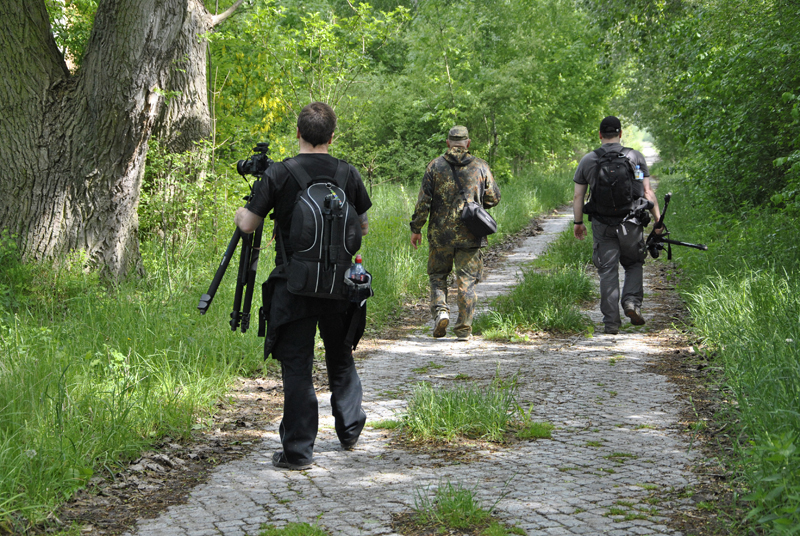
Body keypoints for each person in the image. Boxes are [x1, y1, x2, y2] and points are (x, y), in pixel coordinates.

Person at [234, 102, 371, 470]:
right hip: (341, 285)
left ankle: (297, 451)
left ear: (298, 133)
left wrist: (241, 212)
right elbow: (363, 227)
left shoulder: (279, 174)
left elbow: (248, 225)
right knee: (340, 357)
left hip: (293, 286)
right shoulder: (347, 173)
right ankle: (350, 429)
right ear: (331, 136)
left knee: (297, 367)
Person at [409, 125, 501, 341]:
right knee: (467, 280)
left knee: (438, 276)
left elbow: (424, 202)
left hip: (440, 235)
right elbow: (493, 198)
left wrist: (416, 228)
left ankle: (441, 312)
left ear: (448, 142)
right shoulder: (480, 166)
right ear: (467, 143)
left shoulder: (435, 166)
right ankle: (463, 329)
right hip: (471, 234)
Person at [572, 116, 662, 335]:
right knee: (633, 264)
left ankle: (611, 323)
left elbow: (578, 196)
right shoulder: (635, 158)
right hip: (631, 222)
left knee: (607, 271)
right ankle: (631, 303)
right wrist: (658, 220)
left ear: (600, 135)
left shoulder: (588, 160)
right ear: (621, 134)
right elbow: (646, 191)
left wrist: (578, 223)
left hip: (602, 225)